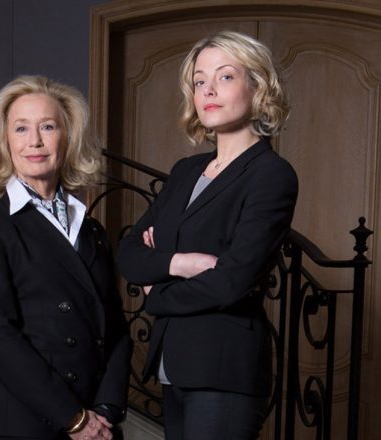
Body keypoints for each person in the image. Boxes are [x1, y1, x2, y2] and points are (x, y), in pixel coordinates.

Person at [116, 31, 298, 439]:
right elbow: (129, 252)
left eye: (225, 76)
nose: (208, 90)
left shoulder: (271, 175)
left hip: (223, 368)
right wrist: (181, 263)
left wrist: (156, 292)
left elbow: (231, 281)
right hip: (173, 364)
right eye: (200, 81)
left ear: (258, 87)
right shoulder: (185, 171)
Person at [0, 75, 133, 440]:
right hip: (24, 423)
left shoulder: (92, 230)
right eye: (21, 128)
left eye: (48, 127)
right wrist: (74, 419)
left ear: (68, 137)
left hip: (96, 421)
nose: (34, 141)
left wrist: (106, 409)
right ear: (5, 141)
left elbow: (116, 330)